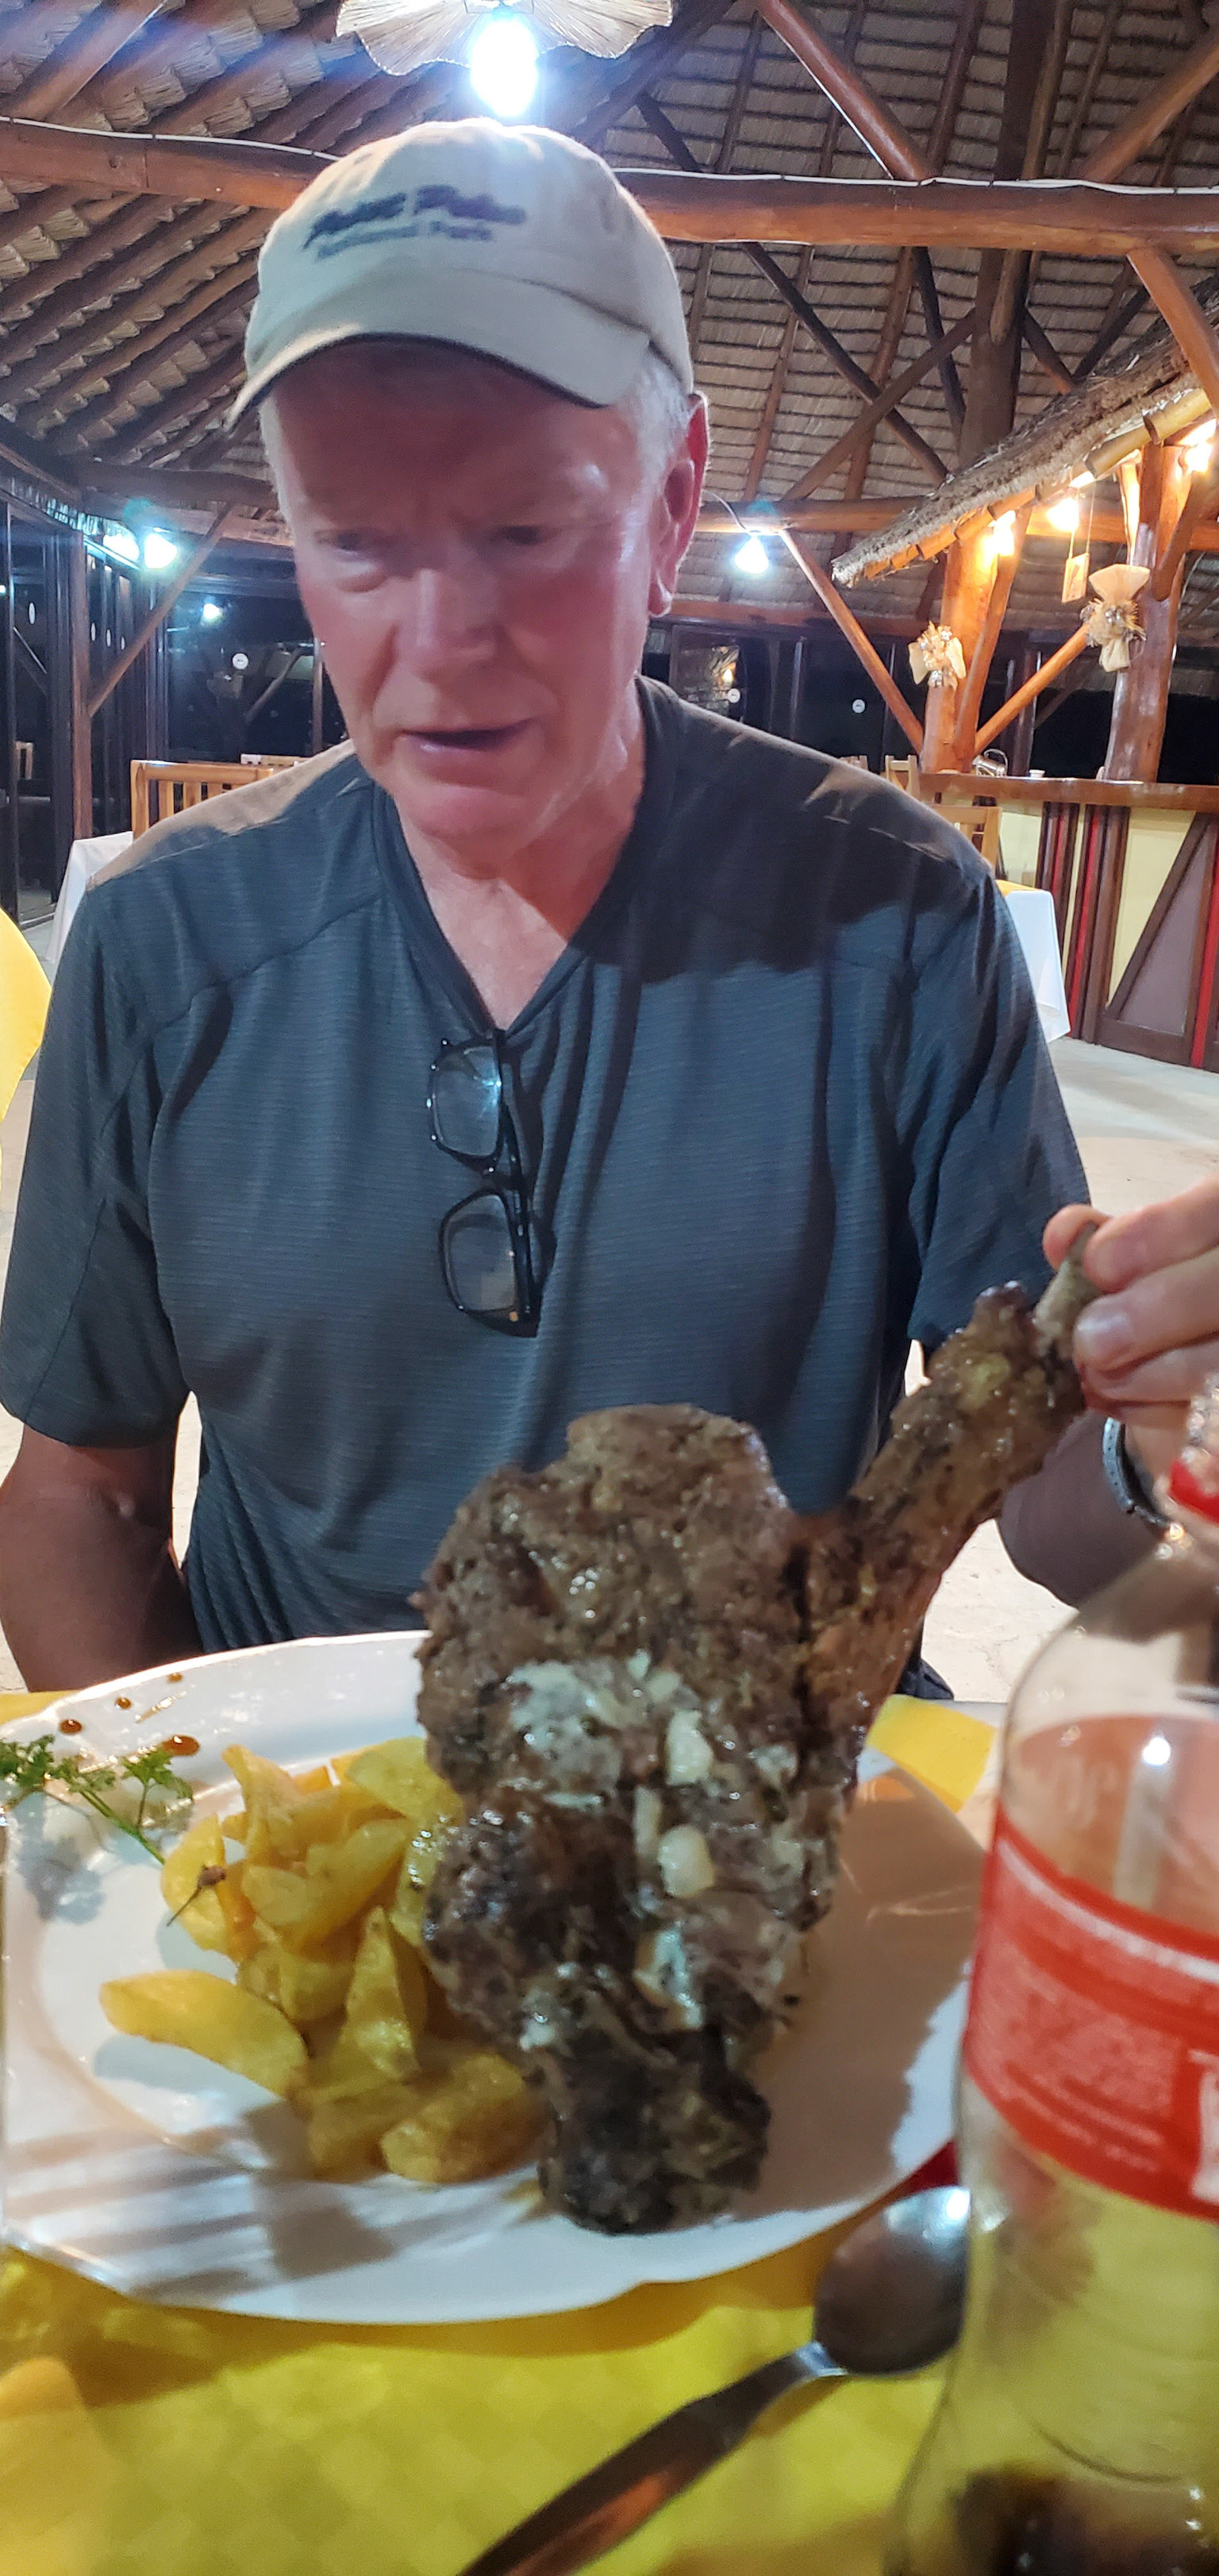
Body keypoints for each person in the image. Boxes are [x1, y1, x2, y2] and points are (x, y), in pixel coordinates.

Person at [0, 121, 1215, 1688]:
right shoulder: (166, 940)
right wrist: (195, 1841)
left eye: (526, 529)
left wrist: (1153, 1444)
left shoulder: (898, 912)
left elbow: (1045, 1490)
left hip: (760, 1806)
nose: (437, 637)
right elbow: (80, 1491)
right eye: (354, 539)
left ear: (673, 499)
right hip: (309, 1792)